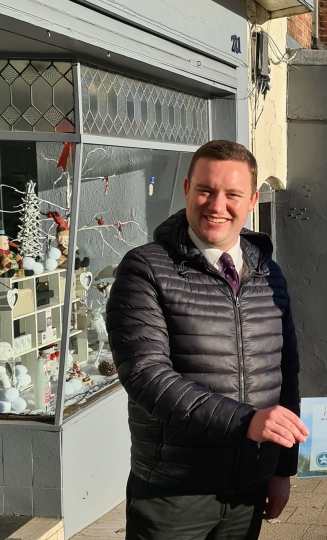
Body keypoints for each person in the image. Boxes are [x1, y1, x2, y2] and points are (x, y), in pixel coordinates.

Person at [106, 140, 308, 540]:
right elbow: (146, 375)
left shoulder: (269, 273)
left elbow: (286, 374)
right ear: (186, 190)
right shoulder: (145, 268)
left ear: (252, 200)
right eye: (205, 190)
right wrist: (246, 422)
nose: (217, 205)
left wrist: (283, 468)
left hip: (248, 487)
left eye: (232, 194)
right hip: (175, 491)